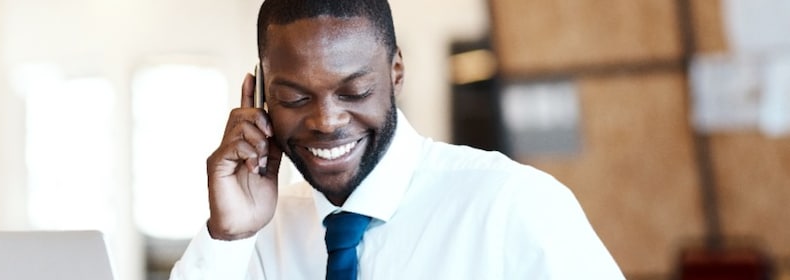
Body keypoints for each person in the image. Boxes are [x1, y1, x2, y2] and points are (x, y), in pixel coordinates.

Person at [170, 0, 624, 279]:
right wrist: (228, 238)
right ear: (262, 97)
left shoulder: (512, 206)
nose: (327, 120)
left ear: (396, 73)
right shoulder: (258, 236)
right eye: (295, 97)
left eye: (355, 91)